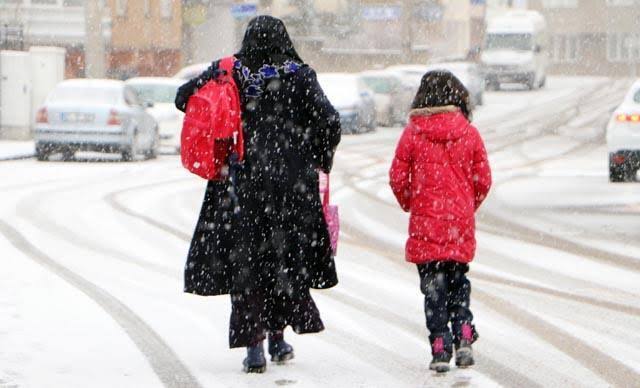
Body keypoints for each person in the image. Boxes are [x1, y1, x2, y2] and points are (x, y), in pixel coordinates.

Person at [175, 16, 341, 373]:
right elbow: (329, 120)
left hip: (241, 184)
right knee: (282, 260)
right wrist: (314, 156)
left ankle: (253, 347)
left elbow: (182, 97)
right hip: (291, 187)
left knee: (246, 264)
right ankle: (278, 338)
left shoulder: (229, 71)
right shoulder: (300, 74)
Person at [388, 70, 492, 373]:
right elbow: (483, 179)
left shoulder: (413, 132)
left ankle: (439, 345)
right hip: (458, 224)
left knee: (433, 289)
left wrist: (412, 202)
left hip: (425, 223)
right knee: (459, 283)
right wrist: (466, 206)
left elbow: (397, 177)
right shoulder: (469, 133)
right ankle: (463, 335)